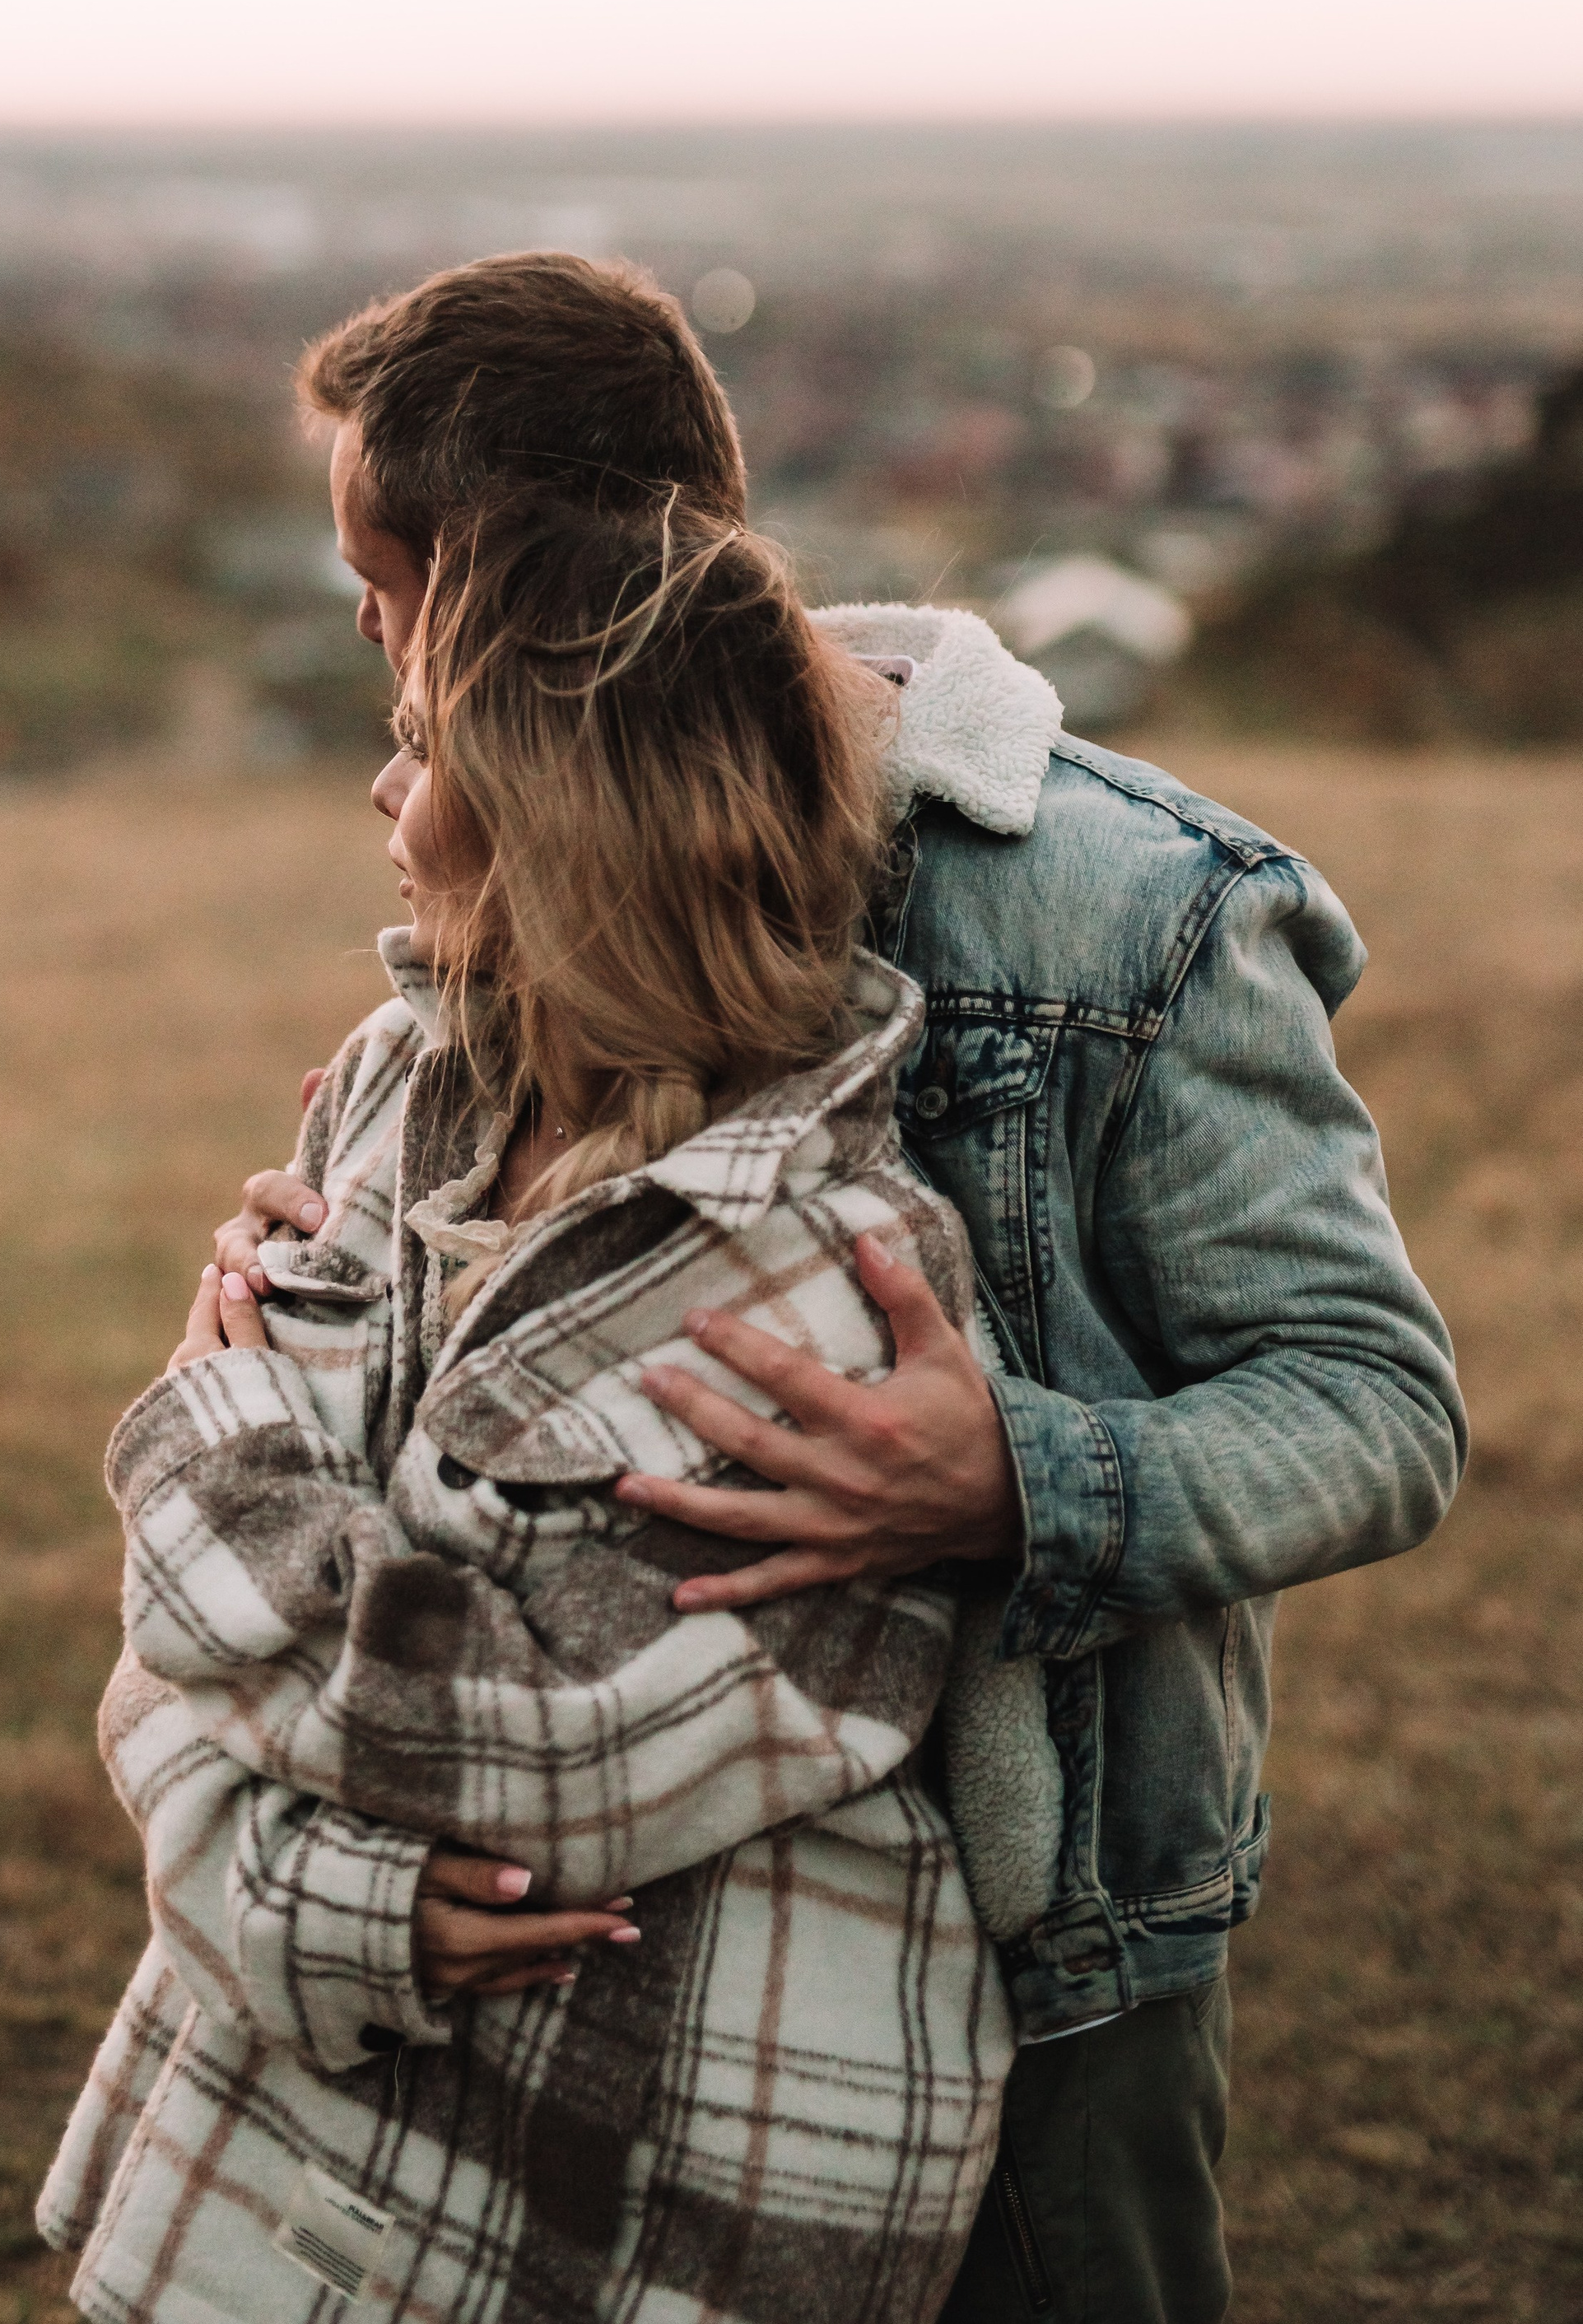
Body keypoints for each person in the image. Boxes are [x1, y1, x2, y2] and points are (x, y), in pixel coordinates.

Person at [216, 251, 1465, 2324]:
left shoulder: (1128, 909)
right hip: (608, 1944)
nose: (364, 629)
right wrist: (309, 1305)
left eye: (382, 575)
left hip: (1030, 1962)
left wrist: (1020, 1482)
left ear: (528, 577)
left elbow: (1374, 1404)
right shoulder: (499, 865)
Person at [41, 493, 1056, 2324]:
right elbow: (177, 1668)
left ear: (561, 822)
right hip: (292, 2147)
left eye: (425, 749)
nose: (380, 791)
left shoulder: (820, 1270)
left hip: (641, 2174)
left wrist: (203, 1445)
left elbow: (534, 1759)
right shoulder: (395, 1086)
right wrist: (290, 1897)